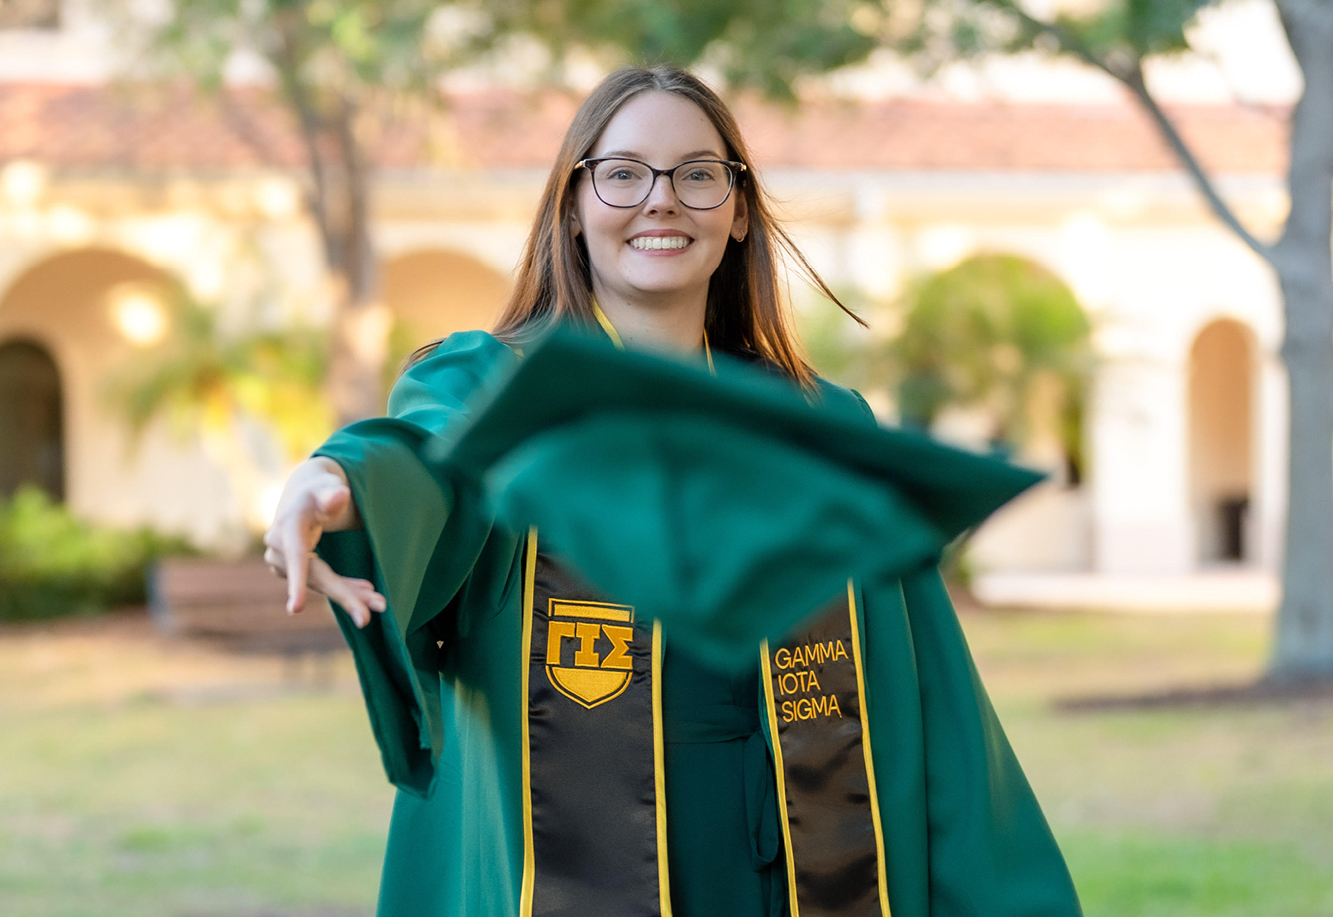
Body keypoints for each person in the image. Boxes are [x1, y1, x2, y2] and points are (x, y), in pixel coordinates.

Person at [264, 65, 1081, 917]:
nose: (663, 200)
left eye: (699, 174)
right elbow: (422, 457)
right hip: (569, 857)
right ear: (572, 209)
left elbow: (927, 703)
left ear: (736, 214)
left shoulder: (814, 422)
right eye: (622, 173)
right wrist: (331, 482)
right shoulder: (494, 384)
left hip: (793, 856)